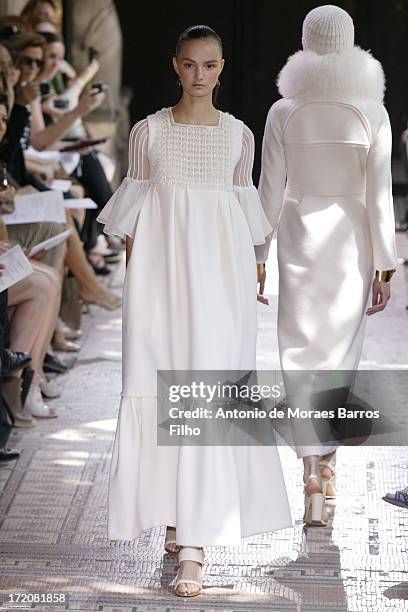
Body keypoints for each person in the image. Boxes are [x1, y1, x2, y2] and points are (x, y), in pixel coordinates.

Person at [97, 25, 291, 598]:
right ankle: (178, 520)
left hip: (220, 285)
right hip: (159, 285)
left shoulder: (237, 135)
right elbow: (132, 222)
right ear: (175, 66)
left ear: (222, 67)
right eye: (189, 65)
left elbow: (244, 211)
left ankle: (194, 546)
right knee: (159, 390)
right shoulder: (147, 132)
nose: (199, 75)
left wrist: (255, 266)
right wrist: (140, 291)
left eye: (209, 65)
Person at [257, 5, 398, 525]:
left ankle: (311, 470)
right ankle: (327, 473)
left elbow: (269, 192)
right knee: (338, 361)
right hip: (351, 242)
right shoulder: (372, 112)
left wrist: (257, 258)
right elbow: (379, 197)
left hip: (298, 236)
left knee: (298, 358)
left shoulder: (282, 111)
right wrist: (385, 267)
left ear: (305, 42)